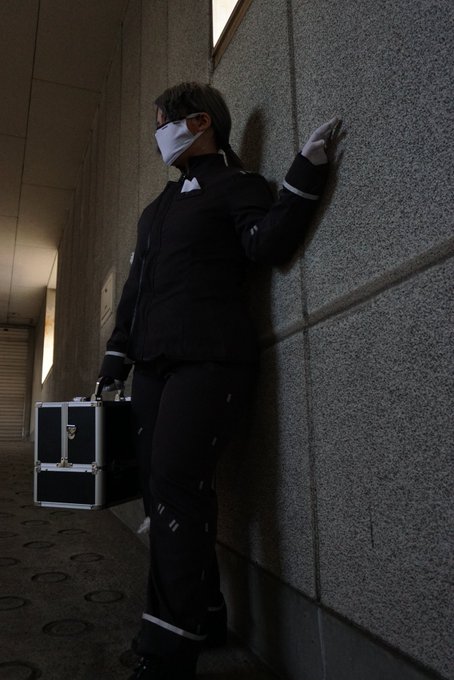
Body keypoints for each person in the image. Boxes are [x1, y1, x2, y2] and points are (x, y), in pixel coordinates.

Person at [99, 81, 339, 680]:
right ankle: (204, 615)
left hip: (210, 361)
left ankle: (165, 652)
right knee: (160, 489)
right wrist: (113, 362)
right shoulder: (156, 210)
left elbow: (266, 243)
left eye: (162, 122)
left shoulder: (238, 184)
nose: (157, 134)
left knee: (176, 485)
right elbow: (135, 291)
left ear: (199, 122)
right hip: (152, 367)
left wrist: (303, 175)